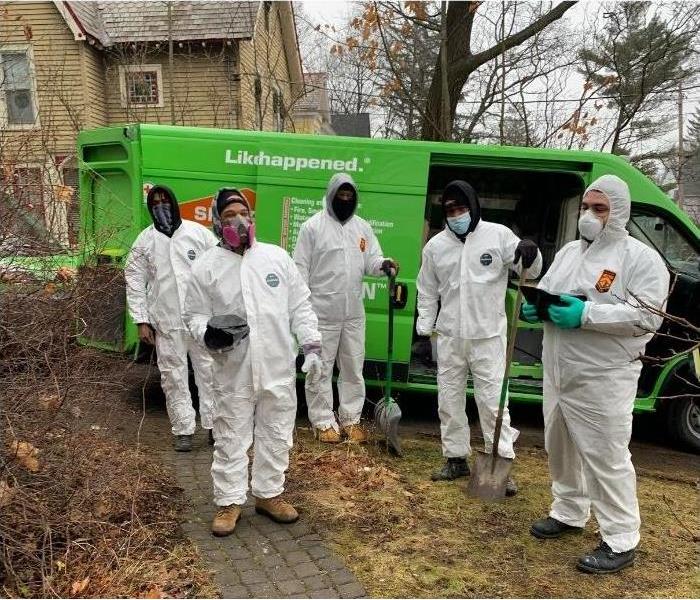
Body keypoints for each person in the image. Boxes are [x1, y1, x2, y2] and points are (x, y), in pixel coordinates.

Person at [524, 175, 669, 574]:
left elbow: (647, 317)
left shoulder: (640, 259)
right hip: (558, 372)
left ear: (618, 212)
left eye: (600, 208)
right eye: (586, 207)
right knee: (561, 447)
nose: (589, 216)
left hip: (603, 377)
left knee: (606, 457)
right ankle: (569, 511)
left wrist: (586, 314)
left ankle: (621, 538)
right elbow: (550, 287)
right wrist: (537, 305)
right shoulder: (571, 251)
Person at [184, 188, 322, 537]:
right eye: (229, 215)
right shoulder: (206, 267)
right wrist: (207, 334)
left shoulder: (276, 258)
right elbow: (194, 315)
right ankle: (229, 502)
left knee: (277, 432)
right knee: (231, 435)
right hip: (234, 368)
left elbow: (300, 305)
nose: (238, 221)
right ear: (217, 222)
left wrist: (312, 345)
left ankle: (268, 494)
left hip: (277, 365)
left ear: (253, 218)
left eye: (242, 213)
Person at [416, 180, 542, 496]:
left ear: (473, 207)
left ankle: (501, 463)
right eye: (450, 210)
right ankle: (456, 457)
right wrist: (424, 325)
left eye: (461, 208)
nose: (456, 214)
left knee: (493, 403)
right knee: (449, 399)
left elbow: (532, 269)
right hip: (450, 336)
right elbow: (427, 289)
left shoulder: (498, 236)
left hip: (488, 336)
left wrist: (531, 252)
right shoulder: (435, 247)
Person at [293, 173, 398, 444]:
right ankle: (323, 421)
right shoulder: (312, 228)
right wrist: (300, 308)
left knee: (353, 368)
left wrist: (384, 264)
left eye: (350, 196)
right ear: (331, 195)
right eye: (341, 195)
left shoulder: (361, 228)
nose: (345, 200)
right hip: (321, 314)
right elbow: (300, 270)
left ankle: (350, 419)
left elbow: (372, 259)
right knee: (321, 369)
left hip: (353, 314)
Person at [125, 185, 218, 452]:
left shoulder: (198, 234)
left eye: (165, 200)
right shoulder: (145, 241)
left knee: (210, 373)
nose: (161, 205)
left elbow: (218, 270)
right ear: (149, 207)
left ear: (175, 202)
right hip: (165, 322)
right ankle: (183, 430)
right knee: (173, 377)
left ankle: (214, 426)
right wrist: (141, 320)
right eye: (155, 202)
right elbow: (134, 280)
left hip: (200, 320)